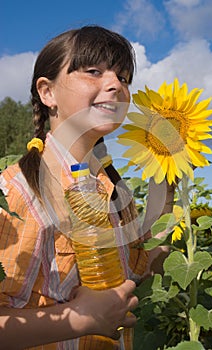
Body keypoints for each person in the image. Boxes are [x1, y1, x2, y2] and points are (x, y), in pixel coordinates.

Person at [0, 25, 174, 349]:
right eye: (94, 71)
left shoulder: (115, 192)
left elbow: (138, 271)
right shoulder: (17, 192)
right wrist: (80, 319)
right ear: (47, 92)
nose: (115, 85)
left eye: (123, 78)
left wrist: (166, 176)